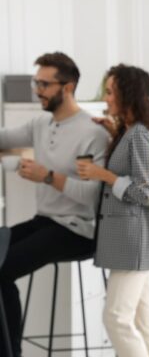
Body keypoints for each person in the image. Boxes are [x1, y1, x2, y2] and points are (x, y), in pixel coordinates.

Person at [0, 52, 109, 357]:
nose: (38, 90)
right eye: (37, 82)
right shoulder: (41, 124)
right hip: (46, 221)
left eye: (45, 84)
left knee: (1, 271)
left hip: (77, 230)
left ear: (68, 87)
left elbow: (91, 195)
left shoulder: (92, 132)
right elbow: (5, 137)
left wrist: (47, 176)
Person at [76, 64, 149, 357]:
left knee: (115, 318)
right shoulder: (132, 131)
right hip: (133, 244)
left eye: (110, 91)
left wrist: (102, 174)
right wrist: (114, 130)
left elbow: (147, 193)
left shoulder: (140, 135)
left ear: (128, 94)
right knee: (144, 322)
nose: (105, 98)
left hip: (134, 245)